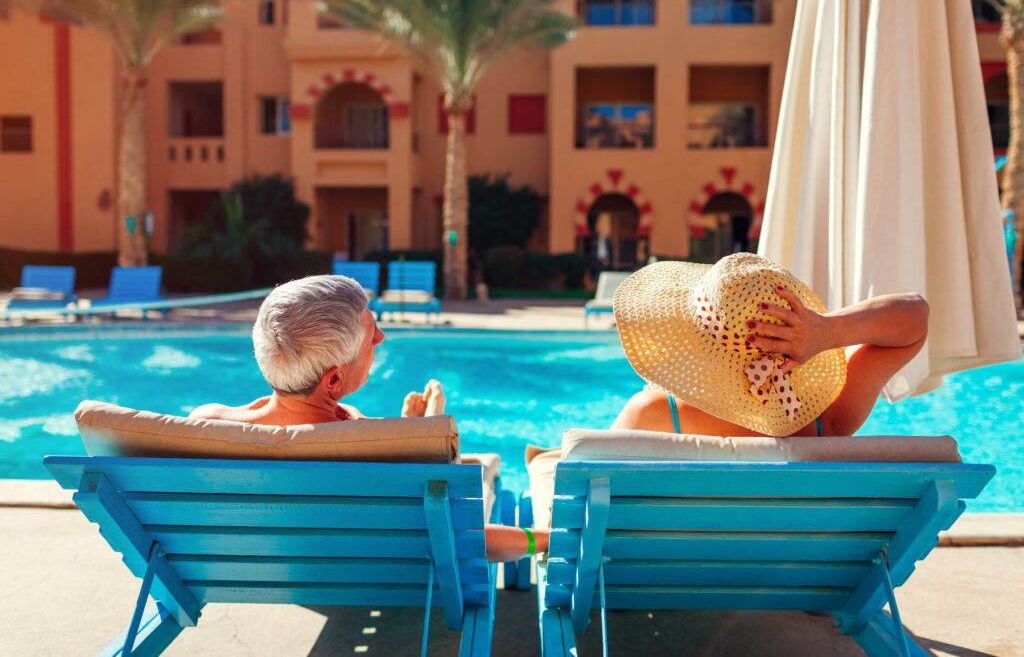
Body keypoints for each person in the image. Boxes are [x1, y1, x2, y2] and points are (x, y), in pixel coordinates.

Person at [190, 274, 548, 561]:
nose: (381, 336)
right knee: (478, 475)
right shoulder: (377, 452)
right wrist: (543, 538)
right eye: (369, 338)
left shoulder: (207, 428)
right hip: (385, 571)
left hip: (290, 570)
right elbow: (465, 538)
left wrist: (411, 431)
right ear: (333, 379)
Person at [610, 253, 929, 439]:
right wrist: (827, 332)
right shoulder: (829, 420)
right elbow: (915, 317)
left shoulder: (652, 415)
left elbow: (579, 502)